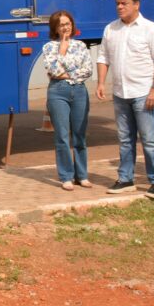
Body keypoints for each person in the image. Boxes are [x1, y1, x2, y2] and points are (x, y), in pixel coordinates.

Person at [96, 0, 154, 199]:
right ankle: (125, 179)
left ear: (136, 4)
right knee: (125, 139)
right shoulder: (111, 29)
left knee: (149, 139)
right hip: (121, 93)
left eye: (124, 3)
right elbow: (103, 57)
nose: (120, 7)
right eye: (117, 3)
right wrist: (101, 82)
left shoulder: (150, 29)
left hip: (143, 93)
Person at [43, 10, 94, 190]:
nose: (66, 27)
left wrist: (66, 71)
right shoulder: (49, 47)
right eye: (61, 25)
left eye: (68, 23)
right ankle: (66, 176)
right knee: (62, 135)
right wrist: (62, 50)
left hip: (79, 90)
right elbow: (53, 70)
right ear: (55, 28)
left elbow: (88, 70)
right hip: (58, 92)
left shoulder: (81, 45)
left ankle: (82, 175)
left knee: (79, 135)